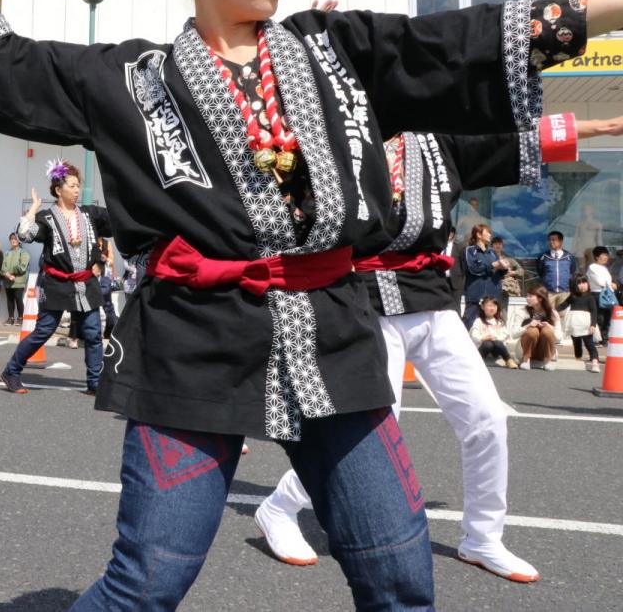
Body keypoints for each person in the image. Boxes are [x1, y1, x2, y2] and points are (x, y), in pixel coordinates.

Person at [0, 0, 623, 608]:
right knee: (145, 584)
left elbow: (452, 42)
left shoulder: (333, 50)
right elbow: (7, 65)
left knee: (401, 579)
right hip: (192, 340)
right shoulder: (131, 78)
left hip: (333, 328)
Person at [255, 121, 610, 582]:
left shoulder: (438, 139)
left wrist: (607, 125)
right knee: (371, 432)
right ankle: (279, 508)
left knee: (487, 417)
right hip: (363, 298)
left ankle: (482, 536)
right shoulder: (332, 127)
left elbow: (514, 138)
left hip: (431, 299)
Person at [1, 162, 112, 395]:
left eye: (78, 185)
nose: (76, 190)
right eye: (71, 185)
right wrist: (32, 210)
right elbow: (25, 234)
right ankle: (12, 371)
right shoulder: (46, 217)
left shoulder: (91, 213)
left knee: (93, 333)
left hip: (86, 282)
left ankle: (95, 382)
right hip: (57, 283)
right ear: (58, 190)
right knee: (44, 330)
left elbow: (117, 221)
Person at [558, 274, 601, 372]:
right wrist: (553, 310)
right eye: (579, 283)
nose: (583, 285)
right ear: (574, 285)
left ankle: (595, 361)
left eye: (584, 282)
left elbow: (594, 311)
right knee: (576, 342)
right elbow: (563, 305)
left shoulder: (590, 297)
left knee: (589, 343)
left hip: (586, 323)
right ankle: (578, 358)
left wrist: (593, 324)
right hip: (574, 323)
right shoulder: (572, 296)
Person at [462, 224, 500, 329]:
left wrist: (504, 268)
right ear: (478, 234)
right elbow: (473, 268)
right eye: (487, 232)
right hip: (475, 295)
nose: (490, 235)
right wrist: (493, 265)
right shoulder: (469, 250)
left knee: (491, 328)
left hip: (492, 296)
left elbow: (497, 273)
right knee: (469, 325)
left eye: (490, 233)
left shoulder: (492, 252)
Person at [516, 286, 561, 371]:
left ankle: (548, 361)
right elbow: (513, 334)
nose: (527, 298)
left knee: (547, 330)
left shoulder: (552, 313)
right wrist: (528, 325)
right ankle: (526, 360)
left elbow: (559, 338)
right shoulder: (522, 311)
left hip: (544, 352)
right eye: (527, 296)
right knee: (532, 330)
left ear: (540, 298)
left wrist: (550, 327)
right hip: (524, 350)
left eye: (530, 296)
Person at [470, 297, 516, 368]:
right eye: (489, 306)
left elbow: (504, 334)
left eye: (494, 306)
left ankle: (508, 360)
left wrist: (495, 338)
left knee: (498, 343)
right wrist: (483, 338)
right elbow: (474, 334)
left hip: (496, 348)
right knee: (488, 344)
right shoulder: (478, 321)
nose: (492, 308)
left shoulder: (499, 322)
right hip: (483, 347)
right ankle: (480, 360)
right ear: (482, 307)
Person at [537, 231, 577, 311]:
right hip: (549, 293)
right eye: (549, 240)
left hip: (565, 292)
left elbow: (572, 271)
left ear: (561, 241)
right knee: (549, 315)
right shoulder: (543, 257)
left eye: (554, 240)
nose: (551, 242)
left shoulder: (569, 257)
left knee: (563, 315)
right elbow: (540, 271)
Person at [586, 246, 618, 338]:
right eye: (603, 255)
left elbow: (606, 282)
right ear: (596, 256)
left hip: (608, 294)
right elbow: (600, 282)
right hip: (598, 294)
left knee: (608, 317)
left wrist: (611, 284)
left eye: (606, 255)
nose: (606, 257)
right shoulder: (592, 267)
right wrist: (611, 284)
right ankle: (598, 338)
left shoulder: (604, 268)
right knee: (600, 317)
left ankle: (604, 337)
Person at [0, 231, 30, 325]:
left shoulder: (24, 252)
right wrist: (7, 275)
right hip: (8, 280)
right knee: (9, 299)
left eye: (15, 238)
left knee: (18, 298)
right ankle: (11, 318)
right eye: (12, 238)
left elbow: (22, 267)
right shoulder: (7, 253)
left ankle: (20, 318)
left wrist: (12, 272)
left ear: (19, 240)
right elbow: (3, 268)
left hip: (19, 280)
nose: (13, 240)